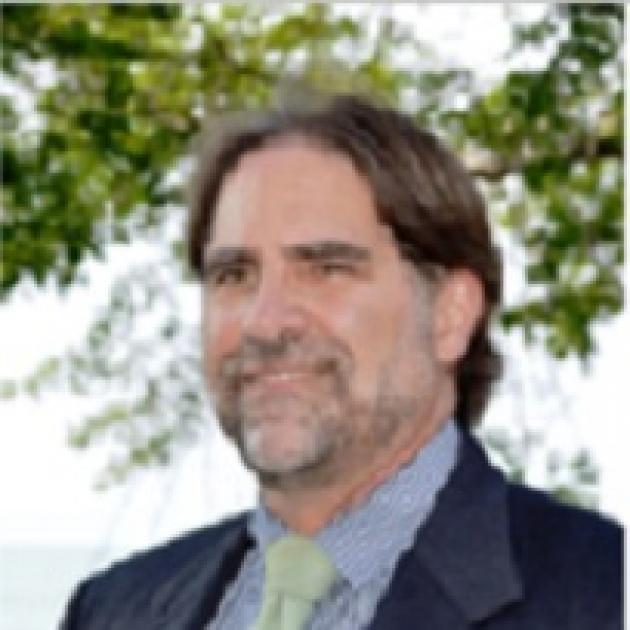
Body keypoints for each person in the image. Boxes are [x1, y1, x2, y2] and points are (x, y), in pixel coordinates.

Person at [61, 95, 622, 630]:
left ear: (451, 315)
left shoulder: (599, 595)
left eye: (327, 268)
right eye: (234, 275)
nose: (266, 321)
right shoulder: (112, 609)